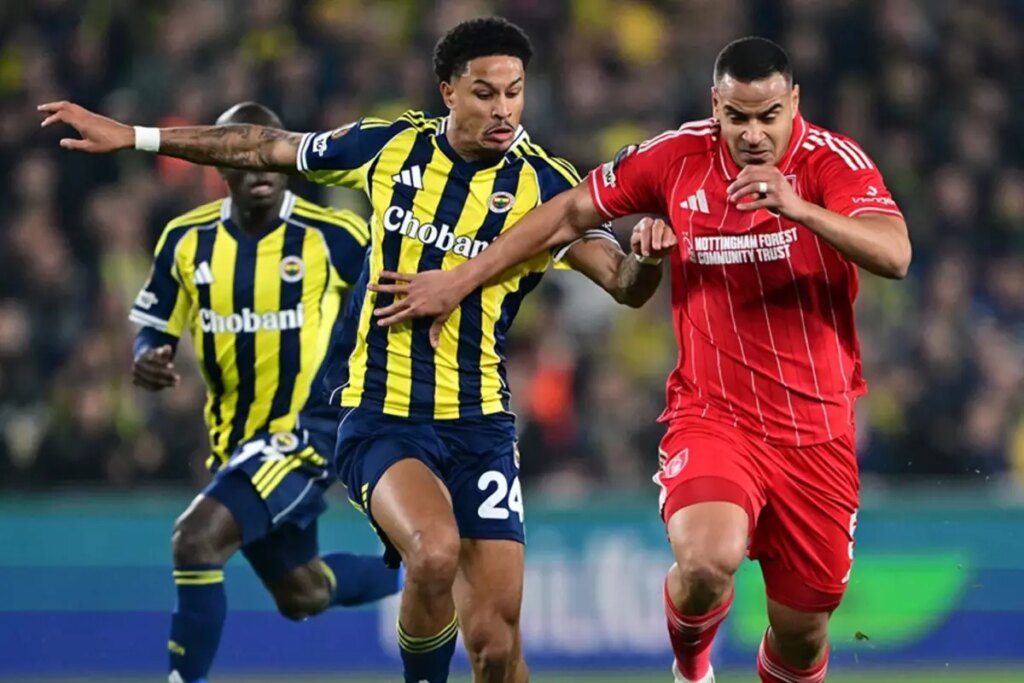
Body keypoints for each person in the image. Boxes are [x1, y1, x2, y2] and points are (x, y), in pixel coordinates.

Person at [39, 17, 667, 683]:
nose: (503, 110)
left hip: (481, 424)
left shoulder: (546, 186)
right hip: (380, 414)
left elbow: (623, 284)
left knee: (495, 646)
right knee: (432, 550)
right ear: (449, 91)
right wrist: (137, 136)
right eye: (485, 93)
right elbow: (265, 147)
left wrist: (649, 258)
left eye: (514, 93)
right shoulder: (390, 148)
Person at [361, 37, 912, 683]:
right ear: (715, 105)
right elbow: (568, 212)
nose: (753, 134)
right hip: (715, 417)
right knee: (705, 562)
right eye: (737, 116)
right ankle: (692, 669)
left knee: (802, 634)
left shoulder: (830, 162)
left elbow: (895, 253)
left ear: (794, 103)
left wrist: (799, 207)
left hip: (816, 432)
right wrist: (460, 280)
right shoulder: (676, 157)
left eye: (768, 116)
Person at [127, 102, 400, 683]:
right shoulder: (186, 240)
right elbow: (155, 325)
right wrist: (148, 354)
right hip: (235, 443)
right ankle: (426, 567)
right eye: (243, 157)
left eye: (269, 154)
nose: (260, 168)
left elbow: (393, 302)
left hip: (307, 433)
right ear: (219, 165)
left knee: (195, 540)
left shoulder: (335, 236)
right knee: (302, 593)